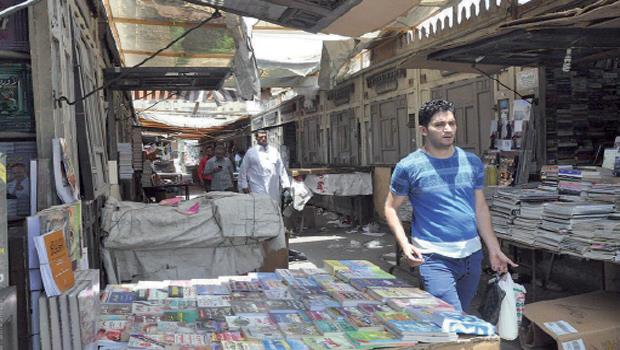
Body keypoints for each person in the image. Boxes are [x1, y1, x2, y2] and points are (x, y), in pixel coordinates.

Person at [384, 99, 516, 312]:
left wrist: (494, 248)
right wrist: (405, 244)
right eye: (439, 124)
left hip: (472, 256)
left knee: (458, 316)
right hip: (434, 257)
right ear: (423, 130)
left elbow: (480, 208)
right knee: (451, 316)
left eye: (451, 123)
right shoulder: (408, 166)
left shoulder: (472, 161)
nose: (447, 129)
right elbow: (390, 207)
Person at [238, 130, 291, 205]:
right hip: (257, 188)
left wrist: (286, 185)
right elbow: (243, 171)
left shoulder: (274, 151)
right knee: (260, 209)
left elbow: (281, 169)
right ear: (256, 138)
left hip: (273, 188)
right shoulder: (251, 153)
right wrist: (244, 186)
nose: (263, 138)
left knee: (274, 208)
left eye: (265, 137)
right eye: (261, 137)